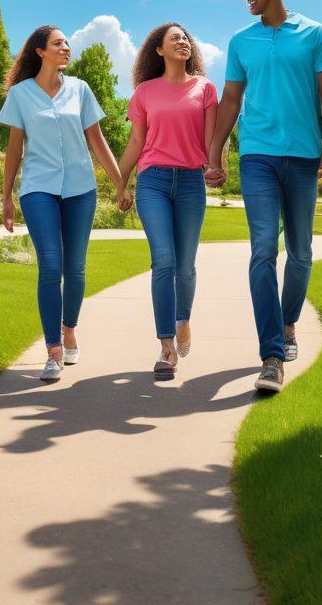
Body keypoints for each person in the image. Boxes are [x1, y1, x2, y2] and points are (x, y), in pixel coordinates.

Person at [205, 0, 322, 393]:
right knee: (263, 249)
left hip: (303, 155)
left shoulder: (314, 34)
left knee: (300, 252)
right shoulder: (241, 41)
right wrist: (214, 151)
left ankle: (287, 323)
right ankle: (272, 355)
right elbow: (230, 99)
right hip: (258, 155)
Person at [0, 25, 132, 383]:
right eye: (58, 43)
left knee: (75, 268)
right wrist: (6, 196)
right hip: (38, 188)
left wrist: (120, 183)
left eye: (67, 43)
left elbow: (97, 141)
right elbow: (14, 148)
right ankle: (53, 351)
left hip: (80, 188)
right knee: (50, 265)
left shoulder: (80, 89)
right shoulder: (21, 95)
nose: (66, 48)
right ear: (40, 51)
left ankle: (68, 327)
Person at [119, 24, 217, 378]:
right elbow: (136, 142)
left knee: (185, 266)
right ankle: (165, 346)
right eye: (174, 38)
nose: (182, 41)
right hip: (153, 181)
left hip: (191, 182)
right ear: (159, 50)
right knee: (163, 261)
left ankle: (183, 320)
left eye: (186, 38)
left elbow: (211, 140)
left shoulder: (205, 89)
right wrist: (120, 182)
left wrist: (215, 166)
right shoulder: (145, 92)